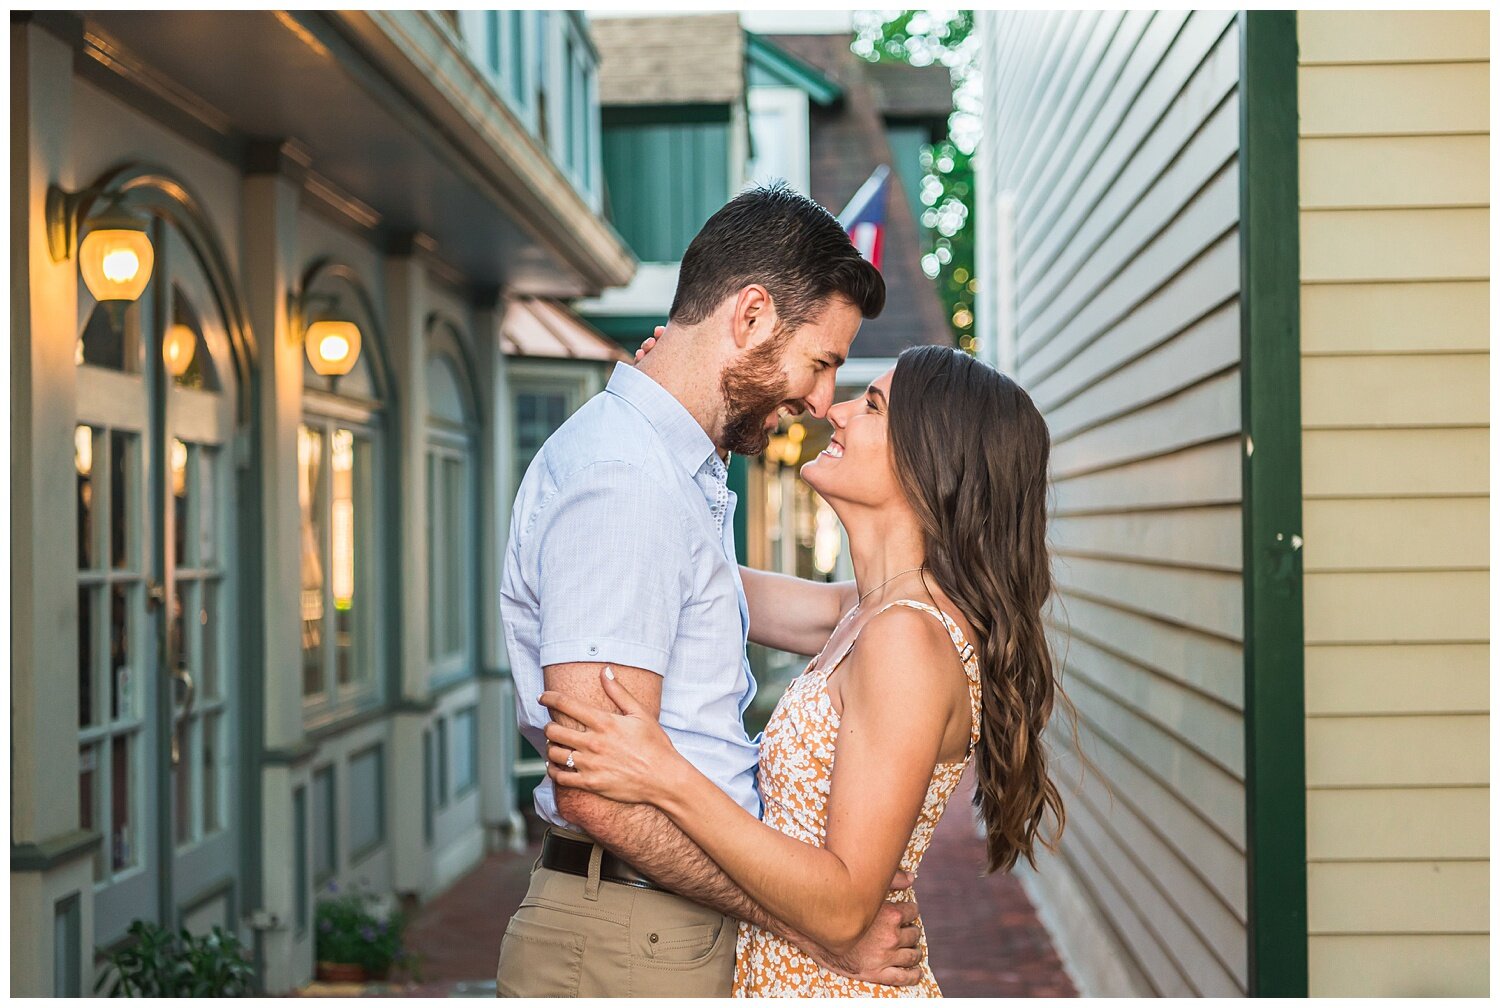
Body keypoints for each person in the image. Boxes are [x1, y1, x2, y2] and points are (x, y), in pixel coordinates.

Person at [496, 183, 924, 998]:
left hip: (655, 924)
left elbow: (832, 610)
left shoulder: (672, 466)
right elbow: (601, 797)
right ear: (752, 316)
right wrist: (812, 928)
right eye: (824, 361)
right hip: (627, 937)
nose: (819, 400)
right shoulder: (627, 481)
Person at [540, 344, 1071, 996]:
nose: (838, 412)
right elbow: (688, 574)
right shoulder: (870, 613)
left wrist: (662, 773)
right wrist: (692, 401)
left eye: (871, 405)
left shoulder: (905, 639)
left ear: (930, 462)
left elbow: (846, 908)